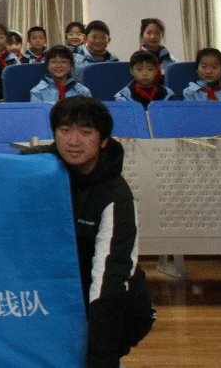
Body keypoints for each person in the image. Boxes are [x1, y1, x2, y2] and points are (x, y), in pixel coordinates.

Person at [38, 96, 155, 368]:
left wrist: (100, 358)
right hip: (59, 286)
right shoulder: (40, 166)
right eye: (65, 130)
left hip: (107, 296)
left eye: (86, 132)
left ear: (103, 141)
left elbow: (109, 281)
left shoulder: (116, 196)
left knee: (124, 312)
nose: (74, 141)